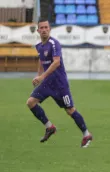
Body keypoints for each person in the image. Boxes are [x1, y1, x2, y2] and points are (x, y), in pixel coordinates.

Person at [28, 18, 93, 148]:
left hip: (59, 85)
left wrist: (42, 77)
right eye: (42, 28)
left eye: (46, 27)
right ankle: (49, 127)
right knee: (31, 102)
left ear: (50, 29)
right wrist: (39, 75)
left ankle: (86, 134)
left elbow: (56, 62)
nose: (44, 30)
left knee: (70, 110)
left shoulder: (54, 43)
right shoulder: (39, 46)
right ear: (38, 30)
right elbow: (41, 60)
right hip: (47, 83)